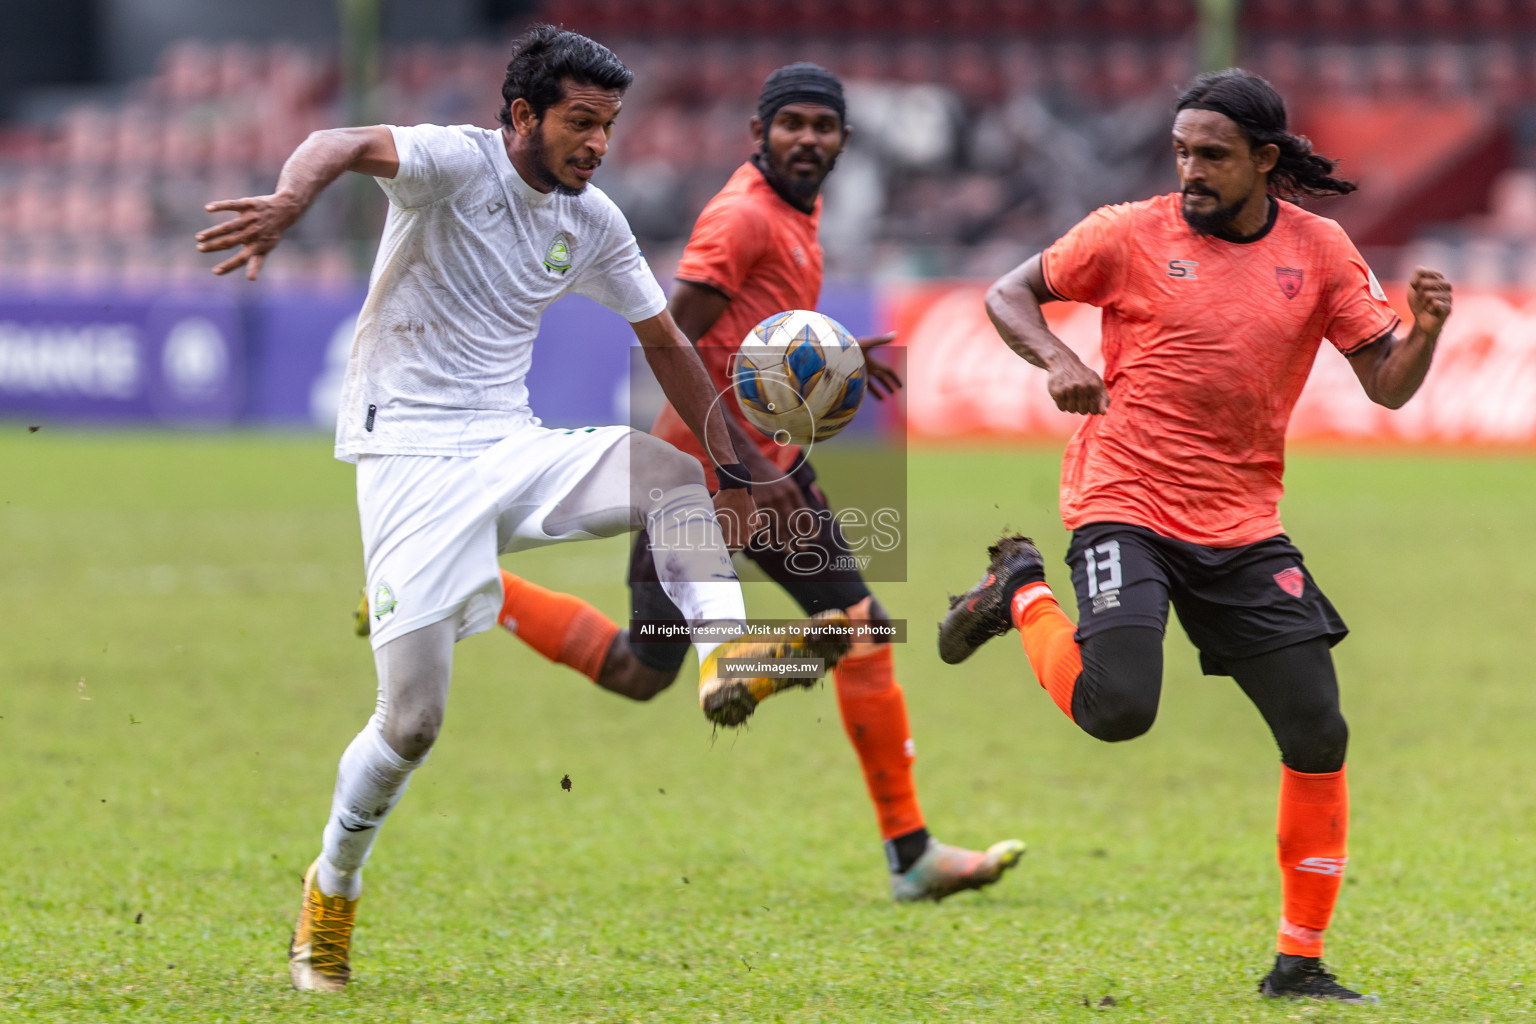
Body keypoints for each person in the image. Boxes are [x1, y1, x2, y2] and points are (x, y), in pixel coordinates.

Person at [195, 26, 850, 992]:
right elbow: (338, 141)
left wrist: (741, 464)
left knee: (668, 480)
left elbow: (667, 342)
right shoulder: (453, 164)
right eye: (580, 124)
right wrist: (293, 200)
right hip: (407, 460)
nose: (597, 144)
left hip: (509, 440)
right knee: (412, 722)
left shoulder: (594, 221)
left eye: (609, 127)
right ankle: (332, 889)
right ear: (520, 117)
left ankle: (729, 652)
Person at [937, 68, 1452, 1004]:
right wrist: (1060, 358)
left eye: (1211, 154)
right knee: (1119, 707)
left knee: (1317, 727)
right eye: (1181, 151)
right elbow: (1009, 295)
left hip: (1243, 524)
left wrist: (1424, 331)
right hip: (1122, 499)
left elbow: (1387, 382)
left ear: (1264, 159)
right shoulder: (1126, 231)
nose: (1190, 171)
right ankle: (1021, 588)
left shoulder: (1320, 251)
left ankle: (1299, 963)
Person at [484, 64, 1024, 902]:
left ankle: (476, 592)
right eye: (792, 125)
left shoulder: (794, 214)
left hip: (746, 460)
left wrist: (835, 359)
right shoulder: (740, 218)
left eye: (823, 126)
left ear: (843, 140)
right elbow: (673, 343)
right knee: (852, 632)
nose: (807, 139)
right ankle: (888, 827)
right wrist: (738, 468)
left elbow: (748, 334)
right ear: (758, 134)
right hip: (720, 469)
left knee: (641, 667)